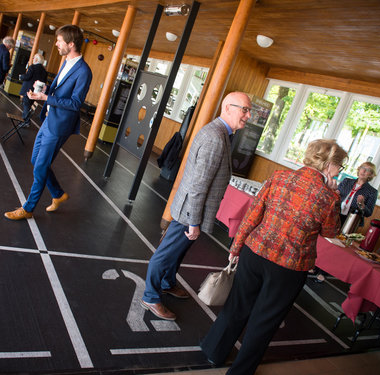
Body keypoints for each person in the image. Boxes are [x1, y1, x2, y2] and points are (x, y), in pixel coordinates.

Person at [200, 139, 348, 375]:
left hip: (255, 251)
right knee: (265, 320)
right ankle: (241, 371)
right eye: (339, 166)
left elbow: (252, 215)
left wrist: (236, 247)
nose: (339, 171)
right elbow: (330, 232)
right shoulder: (328, 197)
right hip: (289, 267)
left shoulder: (279, 177)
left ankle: (212, 350)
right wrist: (332, 194)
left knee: (238, 303)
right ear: (329, 165)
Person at [140, 92, 252, 321]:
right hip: (189, 209)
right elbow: (198, 184)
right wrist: (193, 221)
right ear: (228, 107)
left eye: (249, 111)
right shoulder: (214, 136)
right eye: (245, 110)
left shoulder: (221, 133)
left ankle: (167, 282)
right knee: (165, 254)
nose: (248, 116)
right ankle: (150, 296)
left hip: (192, 208)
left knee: (178, 252)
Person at [4, 25, 92, 221]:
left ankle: (28, 208)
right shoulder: (66, 62)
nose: (57, 44)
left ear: (71, 44)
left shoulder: (84, 71)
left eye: (60, 41)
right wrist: (42, 91)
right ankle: (58, 194)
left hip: (60, 125)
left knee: (40, 166)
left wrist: (46, 98)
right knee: (36, 161)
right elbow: (58, 88)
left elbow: (76, 103)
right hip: (49, 119)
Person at [338, 161, 378, 226]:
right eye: (362, 167)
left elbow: (368, 213)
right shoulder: (346, 181)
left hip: (351, 221)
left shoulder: (372, 192)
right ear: (359, 169)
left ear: (371, 174)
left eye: (368, 170)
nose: (364, 170)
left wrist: (362, 205)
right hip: (335, 214)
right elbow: (335, 196)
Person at [19, 53, 48, 126]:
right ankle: (26, 121)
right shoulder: (44, 71)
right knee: (29, 105)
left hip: (28, 90)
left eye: (34, 57)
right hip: (36, 91)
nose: (32, 59)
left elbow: (27, 77)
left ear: (37, 59)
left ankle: (26, 121)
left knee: (26, 105)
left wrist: (21, 76)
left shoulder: (32, 67)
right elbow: (44, 82)